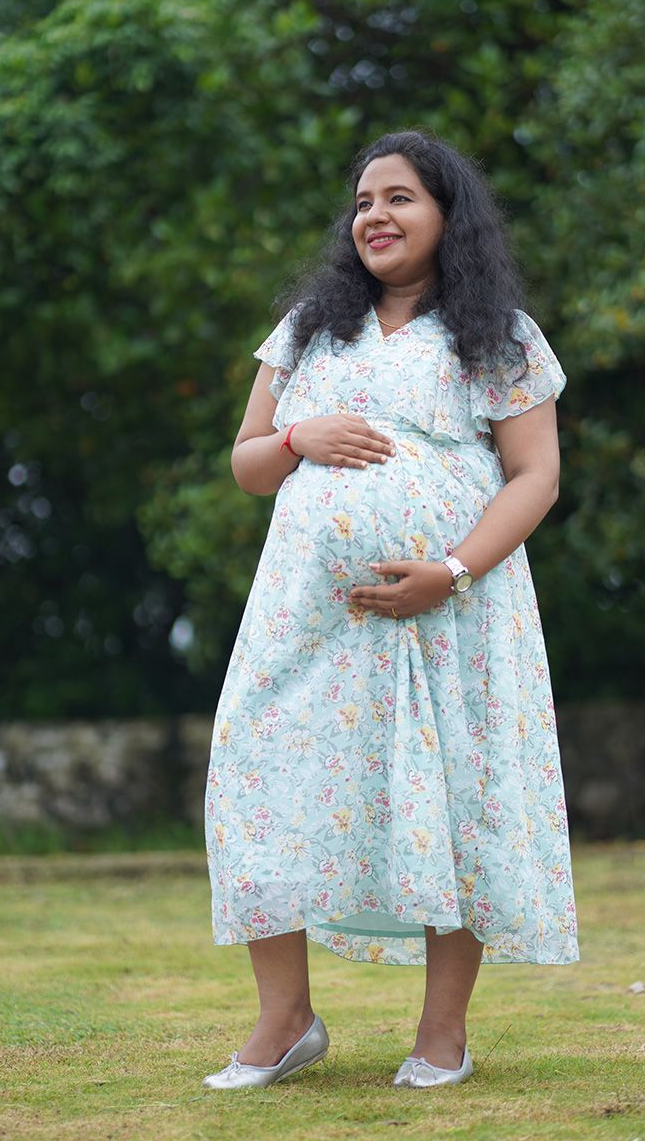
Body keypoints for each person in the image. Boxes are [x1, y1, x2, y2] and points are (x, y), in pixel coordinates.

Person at [201, 128, 579, 1091]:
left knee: (451, 792)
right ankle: (284, 1023)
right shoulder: (308, 328)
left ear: (450, 214)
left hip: (452, 613)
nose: (375, 215)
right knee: (256, 766)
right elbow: (248, 464)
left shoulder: (498, 334)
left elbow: (536, 477)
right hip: (307, 616)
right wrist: (298, 435)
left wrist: (450, 571)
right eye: (364, 201)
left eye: (400, 197)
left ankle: (441, 1034)